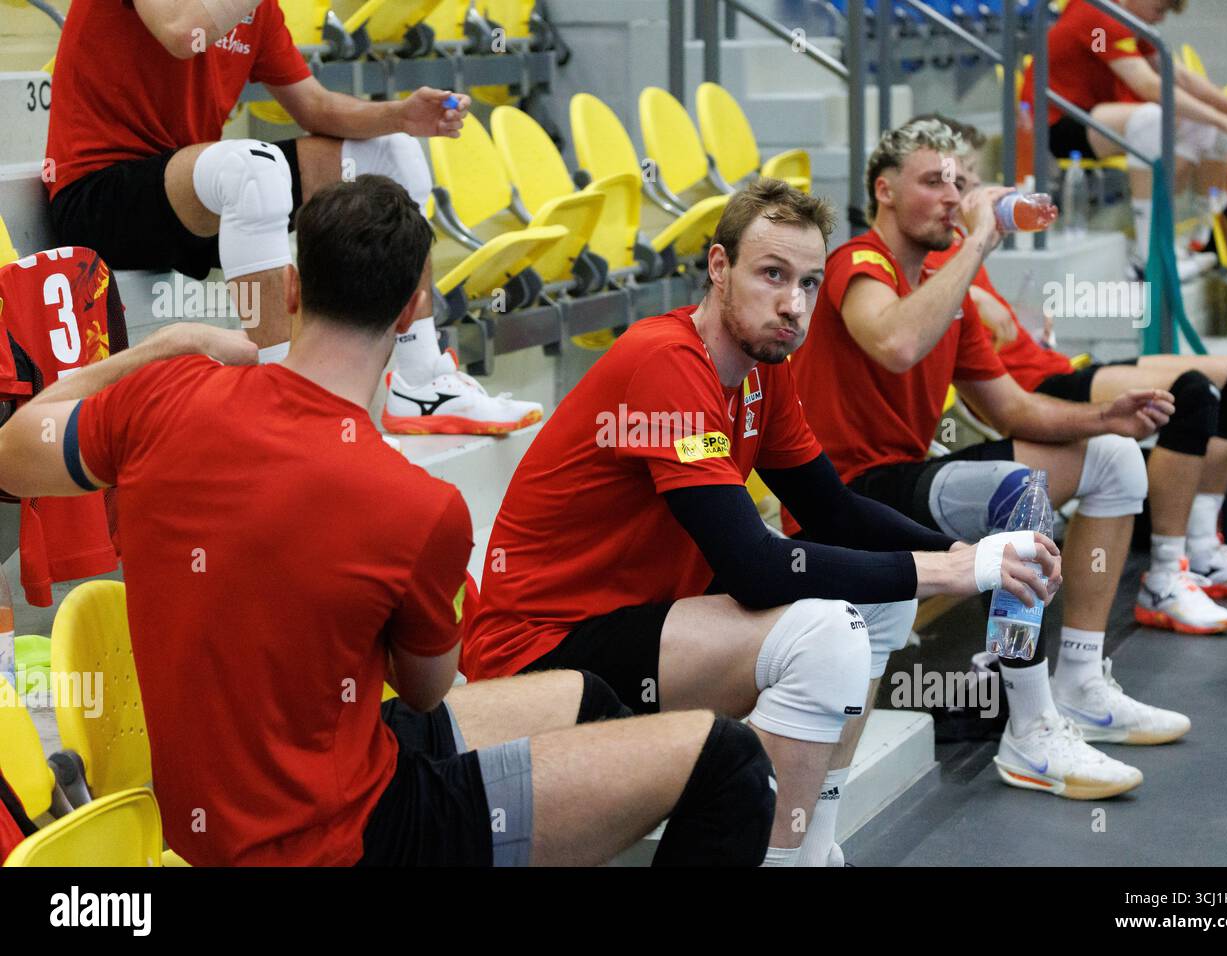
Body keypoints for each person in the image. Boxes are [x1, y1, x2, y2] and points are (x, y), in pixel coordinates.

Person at [0, 176, 779, 867]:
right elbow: (429, 690)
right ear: (415, 306)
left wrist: (158, 349)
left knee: (589, 703)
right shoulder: (417, 508)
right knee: (732, 763)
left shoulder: (160, 398)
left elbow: (10, 453)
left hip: (208, 819)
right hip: (346, 836)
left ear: (295, 289)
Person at [462, 177, 1063, 865]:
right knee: (827, 634)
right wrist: (956, 570)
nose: (793, 304)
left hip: (641, 629)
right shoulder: (665, 361)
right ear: (719, 269)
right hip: (537, 654)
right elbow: (751, 567)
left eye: (809, 283)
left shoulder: (760, 366)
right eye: (772, 275)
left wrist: (974, 552)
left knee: (882, 600)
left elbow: (830, 509)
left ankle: (813, 849)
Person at [789, 120, 1192, 803]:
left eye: (959, 183)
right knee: (1016, 490)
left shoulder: (945, 292)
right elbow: (893, 343)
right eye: (932, 181)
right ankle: (1030, 731)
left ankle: (1082, 684)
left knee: (1115, 460)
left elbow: (1012, 409)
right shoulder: (855, 264)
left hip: (905, 481)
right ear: (882, 191)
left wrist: (1105, 418)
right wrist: (979, 239)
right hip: (841, 496)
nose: (953, 197)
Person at [43, 0, 538, 434]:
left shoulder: (259, 11)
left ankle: (422, 381)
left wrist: (400, 115)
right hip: (98, 199)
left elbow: (315, 106)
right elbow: (178, 29)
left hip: (188, 191)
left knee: (393, 153)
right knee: (252, 170)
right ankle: (280, 402)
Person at [938, 114, 1227, 628]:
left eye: (976, 181)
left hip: (1054, 363)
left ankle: (1201, 549)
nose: (977, 194)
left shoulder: (968, 244)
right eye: (964, 183)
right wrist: (973, 290)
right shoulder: (939, 261)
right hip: (1033, 388)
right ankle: (1163, 576)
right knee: (1190, 397)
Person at [1022, 0, 1227, 274]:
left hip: (1095, 117)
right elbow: (1149, 85)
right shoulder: (1097, 16)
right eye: (1159, 10)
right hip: (1056, 123)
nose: (1161, 20)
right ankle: (1147, 255)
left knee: (1204, 127)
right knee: (1151, 119)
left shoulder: (1130, 24)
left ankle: (1201, 238)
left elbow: (1179, 77)